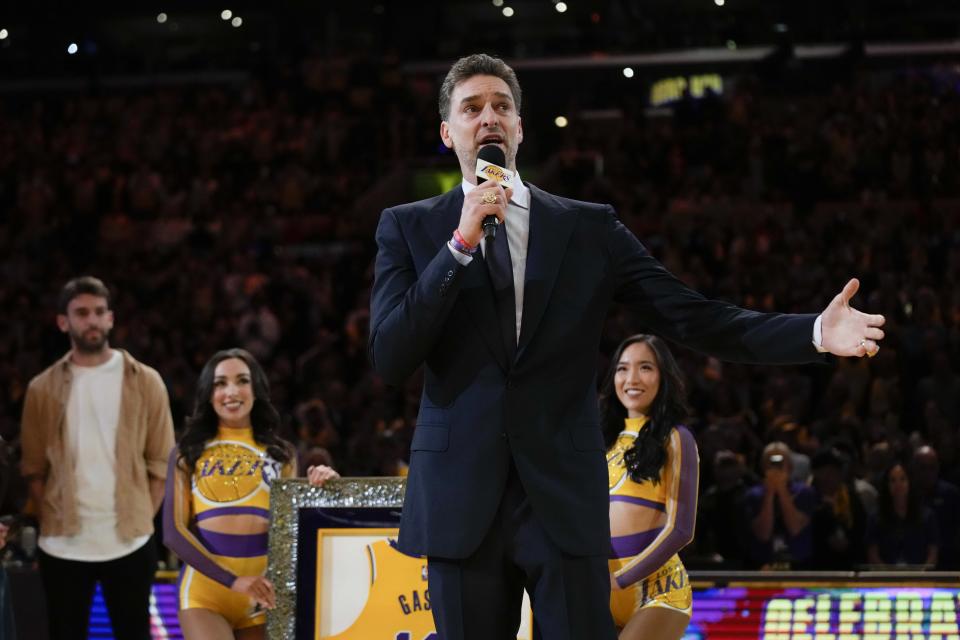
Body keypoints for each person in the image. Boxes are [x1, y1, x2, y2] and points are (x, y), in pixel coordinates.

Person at [368, 52, 885, 639]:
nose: (488, 117)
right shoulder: (408, 227)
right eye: (472, 108)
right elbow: (391, 355)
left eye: (501, 107)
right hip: (460, 499)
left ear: (519, 127)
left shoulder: (587, 228)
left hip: (561, 497)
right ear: (447, 131)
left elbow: (694, 316)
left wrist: (814, 332)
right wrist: (460, 243)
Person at [20, 276, 175, 640]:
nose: (92, 320)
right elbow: (33, 470)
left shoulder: (146, 381)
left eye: (99, 312)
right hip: (63, 544)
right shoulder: (41, 389)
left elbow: (161, 465)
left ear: (111, 319)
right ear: (63, 322)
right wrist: (54, 514)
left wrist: (138, 517)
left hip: (130, 542)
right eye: (82, 313)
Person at [163, 348, 338, 640]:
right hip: (205, 597)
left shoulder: (282, 455)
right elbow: (173, 533)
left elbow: (289, 532)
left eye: (242, 381)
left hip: (261, 598)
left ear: (256, 390)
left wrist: (322, 491)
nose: (231, 391)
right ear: (208, 393)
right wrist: (234, 581)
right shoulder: (187, 453)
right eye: (220, 383)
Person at [600, 335, 697, 640]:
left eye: (645, 368)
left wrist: (622, 579)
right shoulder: (598, 440)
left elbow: (681, 529)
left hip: (658, 589)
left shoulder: (676, 438)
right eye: (622, 368)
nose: (632, 378)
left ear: (663, 376)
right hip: (600, 586)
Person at [745, 442, 817, 569]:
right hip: (763, 566)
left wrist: (782, 489)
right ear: (763, 466)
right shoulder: (753, 495)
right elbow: (763, 534)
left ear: (789, 466)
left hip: (799, 567)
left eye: (780, 463)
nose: (776, 468)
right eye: (771, 463)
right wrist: (770, 493)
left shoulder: (804, 492)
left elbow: (795, 528)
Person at [866, 461, 939, 567]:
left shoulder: (927, 516)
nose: (898, 485)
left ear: (910, 482)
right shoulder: (875, 517)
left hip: (920, 579)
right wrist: (889, 577)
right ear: (887, 485)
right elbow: (873, 556)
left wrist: (920, 577)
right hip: (885, 579)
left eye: (902, 479)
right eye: (892, 480)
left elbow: (933, 555)